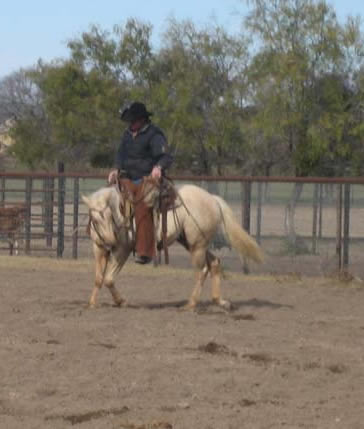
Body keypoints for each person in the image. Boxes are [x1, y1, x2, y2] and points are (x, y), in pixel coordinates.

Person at [108, 101, 173, 264]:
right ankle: (108, 239)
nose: (131, 124)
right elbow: (120, 155)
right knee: (108, 199)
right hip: (127, 177)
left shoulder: (154, 135)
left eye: (134, 120)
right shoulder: (127, 135)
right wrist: (116, 168)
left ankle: (144, 251)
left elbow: (165, 156)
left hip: (147, 179)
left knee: (143, 205)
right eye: (130, 121)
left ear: (142, 120)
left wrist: (158, 167)